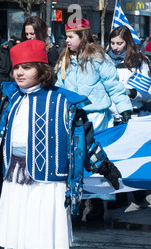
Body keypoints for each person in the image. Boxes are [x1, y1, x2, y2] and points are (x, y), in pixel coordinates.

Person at [0, 40, 122, 249]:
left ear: (42, 70)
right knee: (23, 239)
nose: (19, 73)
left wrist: (105, 166)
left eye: (27, 67)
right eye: (16, 67)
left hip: (47, 182)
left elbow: (84, 141)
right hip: (14, 178)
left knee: (35, 240)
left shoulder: (63, 101)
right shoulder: (10, 99)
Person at [55, 19, 133, 222]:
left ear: (83, 36)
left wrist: (124, 109)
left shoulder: (99, 58)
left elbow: (114, 85)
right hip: (72, 118)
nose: (67, 41)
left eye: (71, 37)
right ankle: (76, 202)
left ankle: (97, 204)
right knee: (75, 162)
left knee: (97, 161)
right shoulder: (64, 59)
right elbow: (57, 87)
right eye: (66, 37)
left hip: (97, 117)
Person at [106, 25, 150, 208]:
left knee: (133, 157)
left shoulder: (140, 60)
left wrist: (130, 93)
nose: (115, 47)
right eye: (112, 43)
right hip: (112, 116)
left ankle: (139, 194)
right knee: (114, 158)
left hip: (134, 116)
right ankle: (119, 196)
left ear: (128, 42)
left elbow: (147, 91)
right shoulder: (105, 60)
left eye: (119, 43)